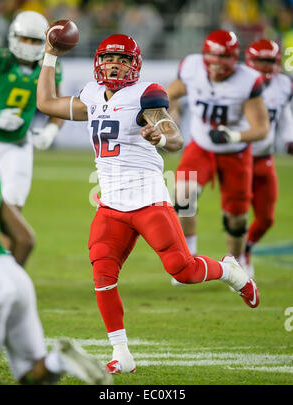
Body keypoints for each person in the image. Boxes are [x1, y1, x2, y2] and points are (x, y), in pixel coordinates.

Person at [36, 32, 260, 375]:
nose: (115, 64)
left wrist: (160, 135)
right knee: (102, 273)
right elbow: (46, 104)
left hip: (148, 201)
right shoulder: (92, 95)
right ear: (99, 62)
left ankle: (230, 271)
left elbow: (175, 137)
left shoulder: (145, 95)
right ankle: (121, 352)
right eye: (109, 58)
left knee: (182, 271)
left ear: (134, 65)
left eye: (123, 59)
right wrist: (49, 56)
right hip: (111, 204)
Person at [0, 166, 112, 385]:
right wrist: (5, 285)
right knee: (33, 372)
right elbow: (25, 239)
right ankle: (59, 361)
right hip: (13, 276)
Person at [167, 29, 270, 273]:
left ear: (234, 59)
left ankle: (236, 264)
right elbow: (169, 94)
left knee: (235, 218)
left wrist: (231, 135)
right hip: (201, 145)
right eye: (211, 59)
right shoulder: (192, 68)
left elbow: (262, 128)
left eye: (222, 59)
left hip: (235, 151)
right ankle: (188, 258)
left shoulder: (247, 80)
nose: (215, 66)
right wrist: (172, 114)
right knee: (183, 197)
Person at [0, 11, 63, 221]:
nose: (28, 44)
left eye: (34, 40)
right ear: (14, 36)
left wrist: (50, 132)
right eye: (24, 38)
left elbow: (57, 107)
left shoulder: (50, 66)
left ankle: (6, 255)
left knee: (12, 207)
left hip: (18, 143)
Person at [243, 39, 293, 277]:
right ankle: (235, 258)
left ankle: (246, 249)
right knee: (236, 213)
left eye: (269, 60)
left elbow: (284, 113)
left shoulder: (283, 84)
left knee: (266, 218)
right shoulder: (238, 82)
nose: (265, 66)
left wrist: (289, 138)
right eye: (261, 60)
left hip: (264, 157)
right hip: (238, 157)